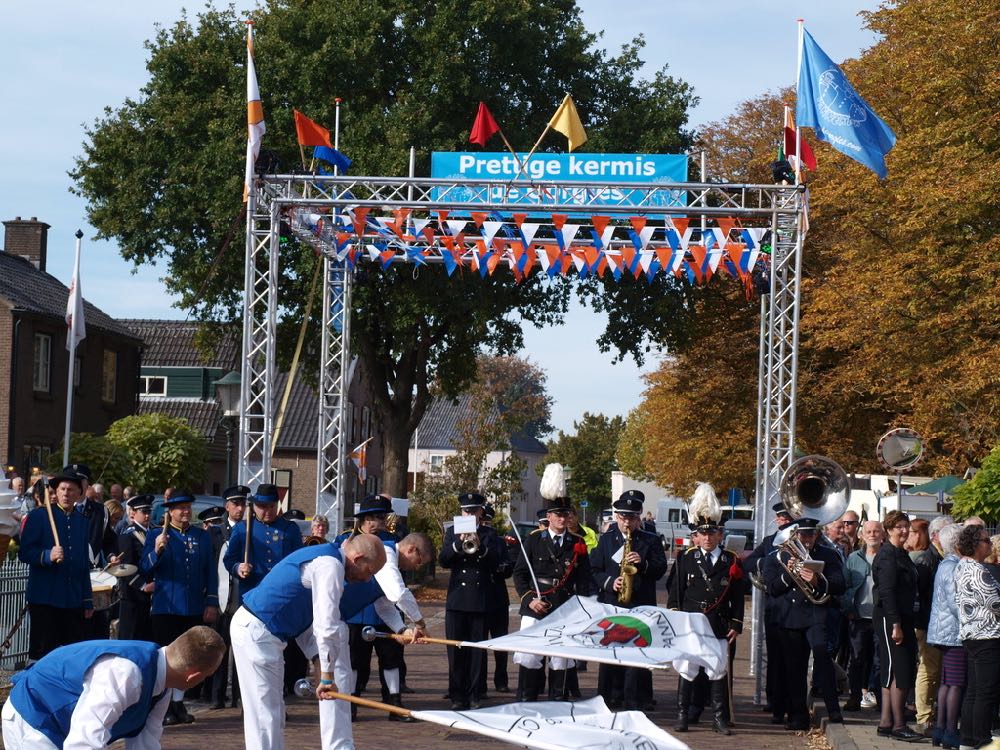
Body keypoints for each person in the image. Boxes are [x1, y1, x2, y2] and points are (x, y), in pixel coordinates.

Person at [233, 533, 397, 750]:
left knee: (272, 713)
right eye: (369, 572)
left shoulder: (328, 561)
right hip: (256, 631)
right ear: (357, 559)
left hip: (264, 633)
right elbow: (325, 624)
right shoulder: (330, 566)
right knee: (265, 716)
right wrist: (328, 676)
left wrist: (319, 661)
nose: (367, 580)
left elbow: (306, 621)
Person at [1, 626, 225, 749]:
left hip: (61, 726)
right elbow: (83, 743)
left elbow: (145, 744)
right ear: (193, 676)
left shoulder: (162, 684)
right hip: (33, 718)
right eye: (208, 676)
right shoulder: (125, 673)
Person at [334, 494, 432, 719]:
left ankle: (394, 702)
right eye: (368, 518)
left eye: (378, 517)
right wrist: (420, 622)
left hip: (381, 609)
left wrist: (400, 629)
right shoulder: (350, 541)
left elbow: (384, 601)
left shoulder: (389, 542)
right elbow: (396, 592)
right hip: (351, 613)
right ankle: (350, 703)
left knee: (391, 659)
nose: (372, 523)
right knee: (354, 661)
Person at [667, 484, 743, 735]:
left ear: (720, 535)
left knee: (717, 669)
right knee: (688, 669)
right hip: (691, 622)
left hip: (718, 622)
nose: (708, 537)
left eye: (712, 533)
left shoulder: (730, 560)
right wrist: (675, 617)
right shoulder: (685, 558)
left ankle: (719, 718)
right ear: (697, 535)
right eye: (703, 533)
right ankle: (683, 715)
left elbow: (737, 595)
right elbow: (676, 593)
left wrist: (736, 623)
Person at [140, 491, 219, 725]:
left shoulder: (201, 536)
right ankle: (163, 706)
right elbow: (145, 569)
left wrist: (211, 601)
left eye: (187, 507)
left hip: (192, 605)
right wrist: (157, 551)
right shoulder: (157, 534)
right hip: (166, 606)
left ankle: (178, 704)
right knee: (167, 657)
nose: (185, 512)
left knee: (190, 657)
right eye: (179, 508)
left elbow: (209, 572)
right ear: (170, 512)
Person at [763, 516, 845, 731]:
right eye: (803, 535)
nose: (806, 539)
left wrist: (818, 580)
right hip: (790, 618)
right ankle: (798, 715)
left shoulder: (828, 555)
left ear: (817, 535)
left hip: (816, 614)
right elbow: (771, 588)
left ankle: (833, 709)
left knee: (823, 659)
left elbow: (839, 585)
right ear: (795, 535)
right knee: (794, 669)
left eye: (811, 534)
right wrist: (789, 574)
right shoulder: (779, 557)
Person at [512, 493, 594, 702]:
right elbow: (520, 573)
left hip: (564, 606)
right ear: (549, 516)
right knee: (529, 656)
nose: (562, 519)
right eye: (558, 514)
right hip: (535, 604)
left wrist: (584, 608)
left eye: (566, 514)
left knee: (561, 659)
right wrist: (529, 599)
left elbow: (584, 579)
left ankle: (558, 701)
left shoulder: (578, 542)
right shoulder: (534, 540)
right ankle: (526, 700)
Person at [593, 489, 668, 711]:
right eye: (623, 517)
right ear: (617, 517)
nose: (627, 522)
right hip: (613, 604)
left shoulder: (651, 541)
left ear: (639, 517)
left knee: (638, 652)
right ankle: (609, 697)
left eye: (632, 518)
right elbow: (594, 568)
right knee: (610, 651)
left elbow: (660, 569)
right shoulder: (606, 539)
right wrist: (609, 582)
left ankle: (637, 698)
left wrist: (643, 563)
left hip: (640, 605)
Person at [439, 492, 510, 710]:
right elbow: (443, 561)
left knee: (476, 651)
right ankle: (457, 695)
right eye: (466, 510)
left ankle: (474, 694)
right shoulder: (452, 533)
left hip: (480, 601)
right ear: (461, 512)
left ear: (481, 512)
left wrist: (482, 548)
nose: (469, 513)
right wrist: (457, 545)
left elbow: (499, 565)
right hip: (457, 601)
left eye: (473, 510)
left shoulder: (490, 534)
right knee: (456, 650)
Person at [18, 472, 93, 662]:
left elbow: (83, 564)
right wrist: (47, 555)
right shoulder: (39, 516)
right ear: (56, 492)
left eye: (71, 490)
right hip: (45, 598)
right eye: (62, 489)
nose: (66, 493)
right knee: (42, 655)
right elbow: (25, 553)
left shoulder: (82, 522)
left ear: (79, 494)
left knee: (70, 654)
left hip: (73, 600)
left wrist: (87, 599)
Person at [742, 501, 796, 725]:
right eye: (780, 519)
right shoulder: (770, 542)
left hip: (798, 608)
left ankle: (792, 703)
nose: (782, 521)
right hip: (775, 607)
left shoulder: (802, 541)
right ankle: (774, 701)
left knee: (794, 660)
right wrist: (769, 562)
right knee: (774, 657)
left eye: (786, 518)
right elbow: (750, 563)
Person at [873, 510, 923, 742]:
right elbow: (886, 592)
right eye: (899, 527)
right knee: (899, 669)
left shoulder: (901, 553)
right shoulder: (887, 556)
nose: (904, 531)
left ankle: (886, 722)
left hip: (903, 616)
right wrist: (895, 624)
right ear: (890, 529)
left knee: (893, 670)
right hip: (891, 617)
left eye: (906, 527)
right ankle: (899, 724)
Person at [954, 524, 1000, 750]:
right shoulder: (977, 570)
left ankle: (968, 741)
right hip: (987, 636)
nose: (990, 544)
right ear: (975, 545)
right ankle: (981, 740)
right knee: (985, 692)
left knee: (973, 691)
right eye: (986, 541)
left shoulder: (962, 566)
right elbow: (995, 603)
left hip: (972, 635)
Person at [223, 483, 304, 602]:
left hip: (281, 594)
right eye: (263, 507)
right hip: (251, 594)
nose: (268, 511)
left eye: (272, 506)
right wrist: (238, 567)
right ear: (254, 506)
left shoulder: (290, 529)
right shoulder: (242, 529)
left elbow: (300, 561)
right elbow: (229, 560)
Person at [912, 515, 951, 736]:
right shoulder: (927, 559)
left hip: (936, 624)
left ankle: (930, 714)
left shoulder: (941, 557)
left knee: (935, 670)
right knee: (928, 669)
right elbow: (922, 596)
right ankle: (923, 717)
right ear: (936, 535)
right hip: (928, 624)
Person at [927, 522, 964, 750]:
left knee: (947, 682)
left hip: (944, 631)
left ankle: (941, 729)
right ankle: (950, 730)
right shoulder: (952, 567)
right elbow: (955, 601)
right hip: (953, 632)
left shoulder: (946, 564)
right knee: (956, 683)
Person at [214, 485, 250, 710]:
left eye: (243, 504)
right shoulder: (216, 531)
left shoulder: (249, 530)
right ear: (227, 506)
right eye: (235, 504)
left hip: (242, 596)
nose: (240, 508)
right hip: (221, 596)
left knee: (241, 649)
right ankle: (217, 696)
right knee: (219, 647)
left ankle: (239, 695)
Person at [841, 520, 884, 712]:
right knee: (856, 659)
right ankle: (854, 696)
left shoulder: (887, 557)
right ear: (862, 535)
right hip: (858, 618)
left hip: (880, 617)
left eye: (876, 531)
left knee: (879, 660)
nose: (872, 534)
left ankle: (877, 697)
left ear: (882, 535)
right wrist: (848, 609)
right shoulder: (853, 558)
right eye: (869, 531)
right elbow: (845, 585)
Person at [480, 503, 514, 696]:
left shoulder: (499, 542)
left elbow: (508, 564)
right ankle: (480, 684)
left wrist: (503, 568)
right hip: (479, 599)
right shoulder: (470, 539)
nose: (485, 524)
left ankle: (501, 680)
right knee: (481, 643)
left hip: (498, 598)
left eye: (487, 521)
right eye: (482, 521)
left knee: (500, 643)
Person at [116, 494, 156, 642]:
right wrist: (144, 586)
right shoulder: (128, 534)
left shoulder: (153, 532)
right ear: (133, 513)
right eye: (143, 512)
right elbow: (125, 566)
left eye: (149, 511)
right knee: (131, 638)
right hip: (133, 595)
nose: (147, 515)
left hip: (152, 595)